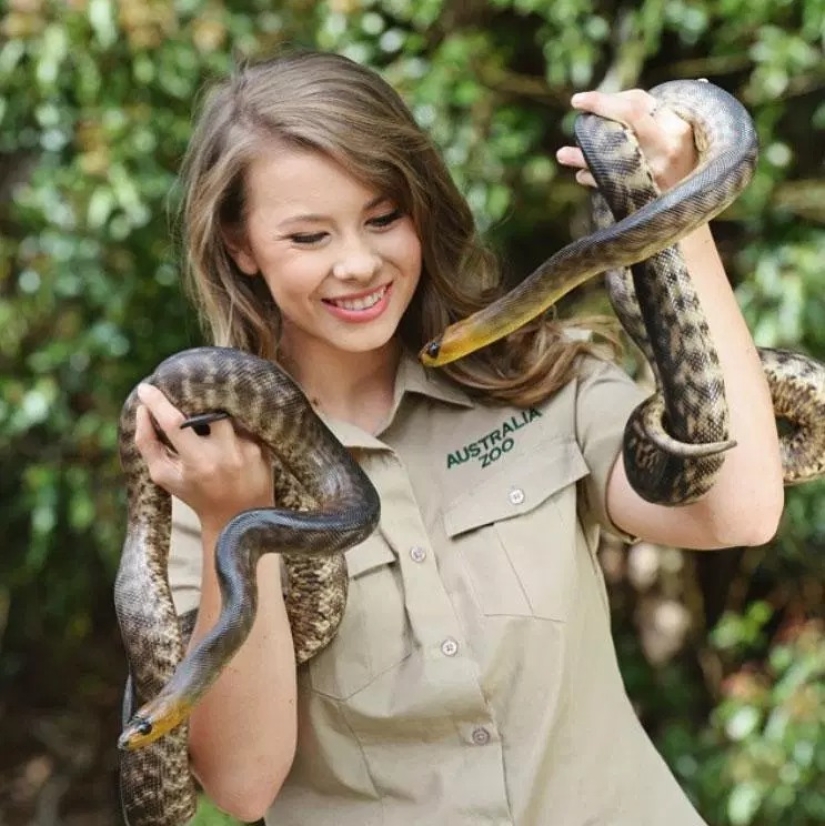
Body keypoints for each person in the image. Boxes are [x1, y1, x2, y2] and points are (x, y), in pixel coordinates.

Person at [133, 51, 783, 825]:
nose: (357, 263)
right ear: (241, 247)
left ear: (421, 208)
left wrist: (677, 208)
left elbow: (734, 512)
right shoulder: (201, 472)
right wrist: (232, 521)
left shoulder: (537, 376)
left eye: (382, 218)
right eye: (308, 237)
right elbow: (242, 789)